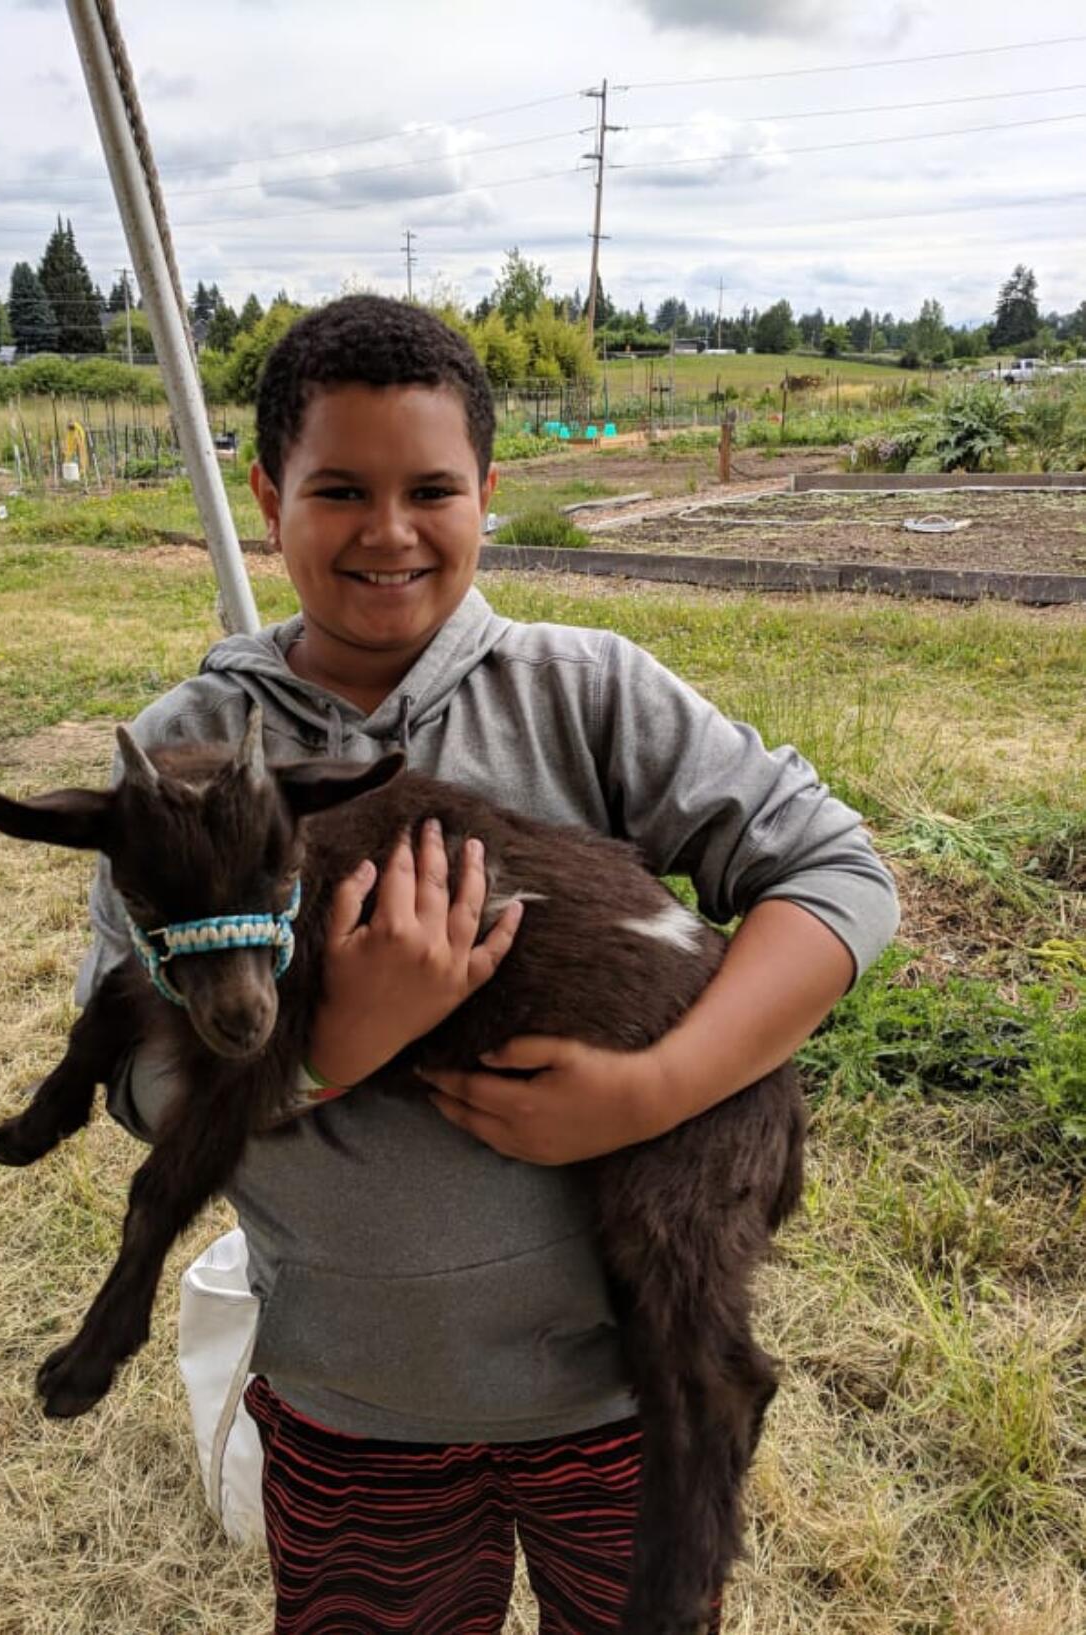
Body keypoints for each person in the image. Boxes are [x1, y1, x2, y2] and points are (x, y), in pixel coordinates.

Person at [78, 294, 899, 1635]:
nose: (387, 531)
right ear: (267, 492)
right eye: (338, 488)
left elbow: (840, 878)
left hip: (613, 1398)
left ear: (488, 493)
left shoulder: (586, 690)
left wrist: (655, 1090)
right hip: (357, 1398)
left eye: (431, 489)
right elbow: (141, 1095)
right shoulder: (178, 753)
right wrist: (348, 1034)